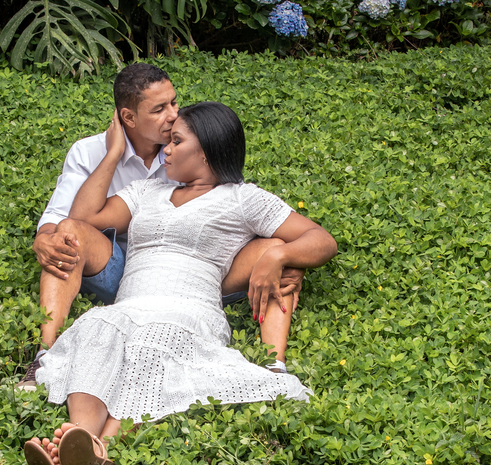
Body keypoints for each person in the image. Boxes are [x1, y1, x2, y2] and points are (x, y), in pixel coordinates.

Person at [22, 102, 338, 465]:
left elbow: (322, 240)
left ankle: (104, 447)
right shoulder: (147, 191)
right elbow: (83, 218)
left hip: (189, 309)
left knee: (155, 343)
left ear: (205, 151)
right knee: (98, 329)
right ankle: (81, 436)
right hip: (131, 302)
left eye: (176, 141)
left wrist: (280, 253)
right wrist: (114, 153)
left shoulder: (244, 198)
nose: (166, 151)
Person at [17, 63, 304, 390]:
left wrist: (280, 257)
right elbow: (68, 217)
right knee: (65, 238)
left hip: (198, 271)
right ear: (129, 118)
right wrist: (112, 155)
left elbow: (226, 203)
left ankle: (274, 365)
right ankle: (45, 354)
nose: (172, 115)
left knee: (280, 252)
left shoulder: (192, 142)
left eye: (174, 103)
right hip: (120, 263)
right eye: (159, 109)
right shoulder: (90, 152)